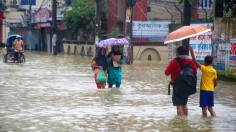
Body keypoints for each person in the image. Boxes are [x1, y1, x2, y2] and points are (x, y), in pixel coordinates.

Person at [165, 46, 197, 116]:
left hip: (177, 86)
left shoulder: (174, 61)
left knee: (179, 105)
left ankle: (181, 124)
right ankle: (185, 120)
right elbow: (195, 73)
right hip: (188, 86)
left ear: (177, 53)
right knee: (184, 104)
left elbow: (166, 72)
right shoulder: (191, 62)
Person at [190, 47, 217, 117]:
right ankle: (214, 118)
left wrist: (191, 51)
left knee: (204, 108)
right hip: (211, 90)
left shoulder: (204, 69)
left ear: (205, 62)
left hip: (204, 91)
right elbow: (215, 82)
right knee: (210, 108)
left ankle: (204, 123)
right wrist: (212, 88)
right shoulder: (214, 71)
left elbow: (194, 61)